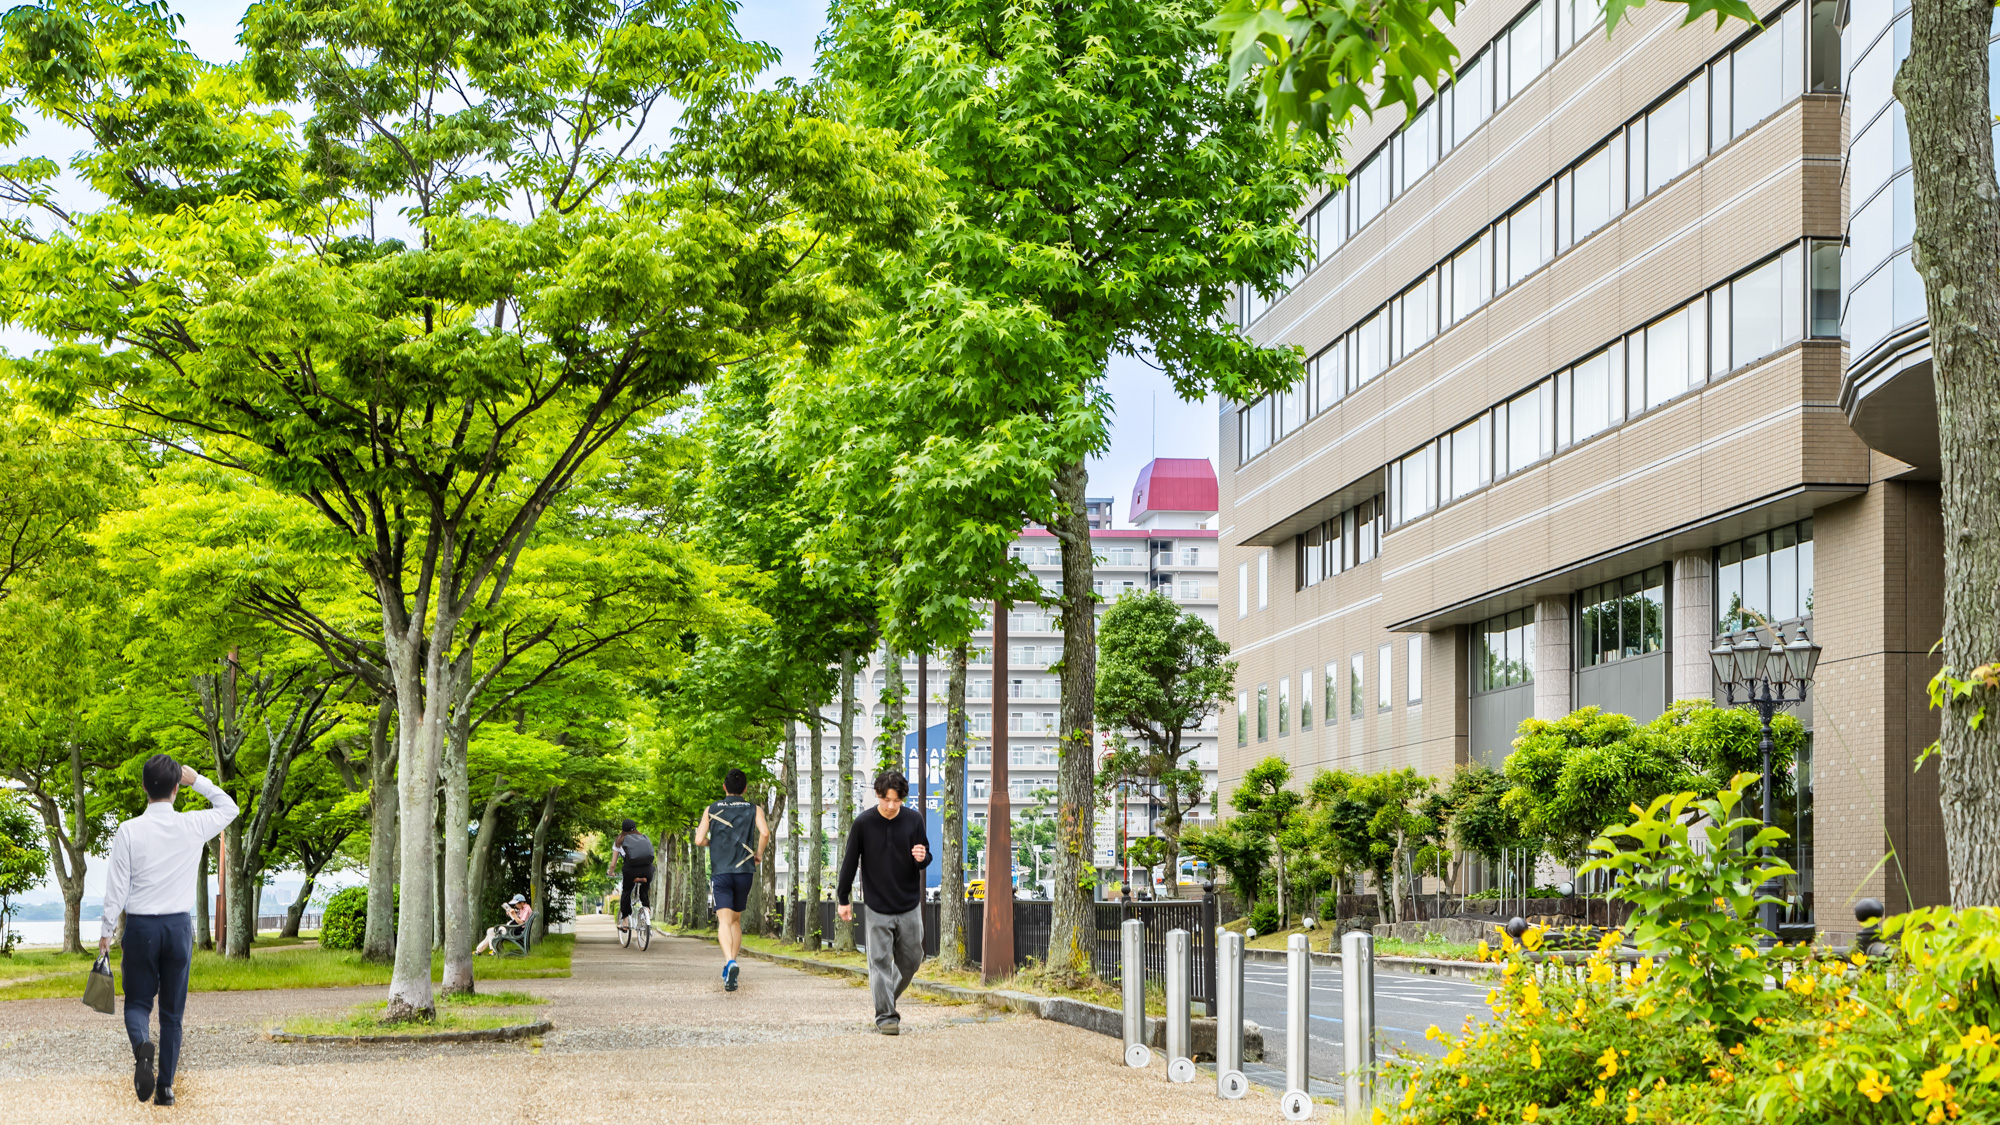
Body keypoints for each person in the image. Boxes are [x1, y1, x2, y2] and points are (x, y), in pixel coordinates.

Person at [100, 755, 238, 1107]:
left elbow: (116, 888)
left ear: (144, 787)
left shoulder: (129, 830)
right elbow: (229, 808)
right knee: (173, 1013)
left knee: (137, 1004)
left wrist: (105, 933)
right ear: (177, 788)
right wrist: (199, 781)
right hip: (178, 928)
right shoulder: (192, 825)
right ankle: (165, 1088)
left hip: (142, 927)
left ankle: (142, 1049)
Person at [836, 769, 931, 1035]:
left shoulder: (914, 820)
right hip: (877, 905)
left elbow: (924, 856)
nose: (891, 806)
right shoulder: (863, 823)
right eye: (886, 799)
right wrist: (843, 898)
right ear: (878, 795)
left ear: (903, 799)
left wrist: (922, 856)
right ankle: (886, 1016)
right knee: (878, 962)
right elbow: (850, 862)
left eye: (897, 801)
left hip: (909, 903)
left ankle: (885, 997)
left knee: (913, 959)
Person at [693, 768, 768, 991]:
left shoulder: (712, 809)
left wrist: (713, 843)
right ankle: (732, 965)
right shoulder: (754, 809)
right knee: (736, 920)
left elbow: (699, 840)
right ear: (745, 789)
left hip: (722, 872)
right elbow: (764, 833)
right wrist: (759, 855)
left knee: (724, 921)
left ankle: (729, 962)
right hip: (744, 872)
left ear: (724, 787)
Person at [612, 819, 654, 933]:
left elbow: (613, 863)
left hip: (631, 871)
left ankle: (625, 922)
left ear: (622, 829)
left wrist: (611, 872)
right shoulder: (644, 837)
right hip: (648, 870)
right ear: (635, 828)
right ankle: (647, 909)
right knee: (644, 889)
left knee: (626, 892)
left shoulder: (619, 841)